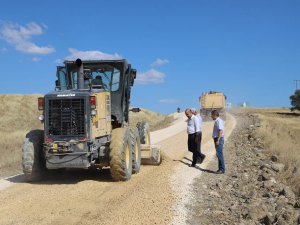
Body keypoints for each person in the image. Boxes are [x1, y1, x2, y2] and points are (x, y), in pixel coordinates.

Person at [211, 110, 225, 174]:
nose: (211, 116)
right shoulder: (217, 121)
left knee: (219, 154)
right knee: (218, 154)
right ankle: (220, 169)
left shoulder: (219, 121)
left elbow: (220, 131)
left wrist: (218, 140)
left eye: (212, 115)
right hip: (217, 138)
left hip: (219, 139)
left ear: (214, 115)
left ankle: (222, 169)